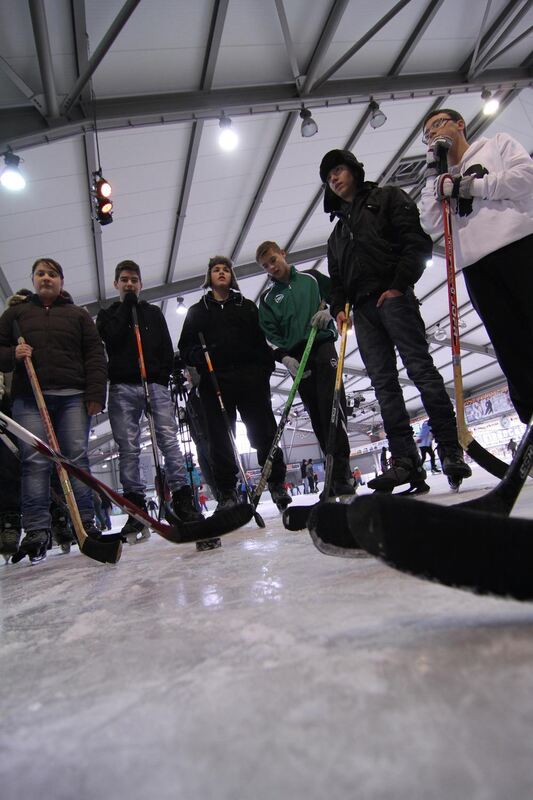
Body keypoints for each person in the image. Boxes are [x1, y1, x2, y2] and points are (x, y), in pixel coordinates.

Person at [319, 149, 471, 492]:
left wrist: (399, 286)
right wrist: (340, 305)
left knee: (421, 370)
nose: (335, 179)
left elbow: (415, 241)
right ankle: (405, 461)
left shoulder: (387, 198)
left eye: (339, 170)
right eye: (329, 178)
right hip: (363, 311)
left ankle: (449, 449)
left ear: (354, 170)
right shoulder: (336, 236)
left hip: (393, 298)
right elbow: (337, 280)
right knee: (383, 386)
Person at [419, 108, 533, 426]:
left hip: (519, 247)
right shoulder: (440, 178)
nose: (433, 135)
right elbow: (429, 222)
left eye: (438, 125)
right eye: (427, 134)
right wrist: (433, 175)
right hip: (476, 266)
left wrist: (470, 187)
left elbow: (526, 178)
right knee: (508, 345)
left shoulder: (496, 144)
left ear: (459, 125)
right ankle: (529, 418)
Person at [0, 259, 107, 564]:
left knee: (76, 458)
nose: (46, 278)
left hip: (73, 397)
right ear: (33, 280)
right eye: (40, 274)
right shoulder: (15, 315)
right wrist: (12, 354)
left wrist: (96, 394)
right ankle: (36, 530)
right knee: (34, 462)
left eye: (52, 274)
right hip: (31, 399)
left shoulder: (78, 315)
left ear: (61, 280)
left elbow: (95, 355)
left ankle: (86, 522)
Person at [96, 260, 202, 541]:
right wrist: (126, 308)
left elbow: (166, 348)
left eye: (134, 280)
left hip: (154, 384)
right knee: (128, 447)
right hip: (122, 386)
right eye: (124, 280)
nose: (129, 284)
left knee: (168, 439)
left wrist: (161, 377)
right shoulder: (107, 315)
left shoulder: (153, 313)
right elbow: (112, 339)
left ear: (141, 284)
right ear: (116, 284)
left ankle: (182, 498)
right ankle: (136, 507)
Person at [178, 256, 292, 512]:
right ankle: (227, 492)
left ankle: (275, 483)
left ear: (232, 276)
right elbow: (185, 347)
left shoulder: (247, 306)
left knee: (263, 433)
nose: (221, 273)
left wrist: (263, 371)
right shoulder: (197, 311)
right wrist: (196, 355)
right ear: (209, 276)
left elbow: (262, 341)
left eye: (225, 270)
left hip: (250, 380)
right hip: (215, 381)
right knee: (219, 439)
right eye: (216, 270)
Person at [257, 241, 354, 496]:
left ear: (282, 254)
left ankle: (342, 474)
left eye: (273, 260)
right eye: (266, 266)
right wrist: (284, 357)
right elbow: (269, 335)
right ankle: (332, 474)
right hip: (298, 359)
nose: (271, 267)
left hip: (322, 347)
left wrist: (332, 314)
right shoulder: (267, 299)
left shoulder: (311, 278)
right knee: (317, 416)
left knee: (333, 407)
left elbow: (337, 296)